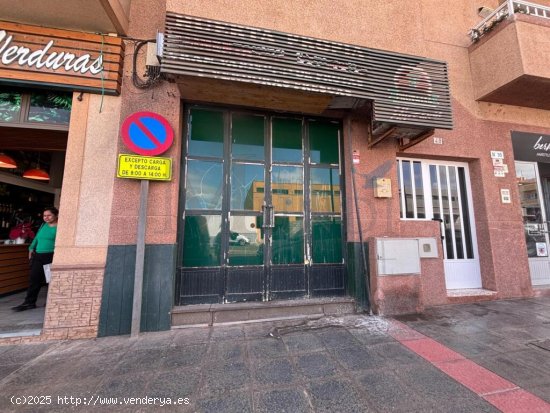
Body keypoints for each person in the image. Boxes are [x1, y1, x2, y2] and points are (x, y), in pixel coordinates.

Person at [12, 207, 59, 312]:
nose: (46, 217)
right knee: (34, 279)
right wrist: (31, 248)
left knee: (50, 280)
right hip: (38, 255)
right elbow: (37, 237)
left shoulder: (60, 227)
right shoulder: (43, 225)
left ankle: (51, 301)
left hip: (51, 256)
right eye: (44, 215)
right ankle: (29, 302)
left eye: (49, 215)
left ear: (56, 215)